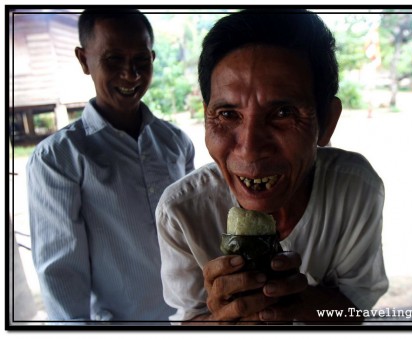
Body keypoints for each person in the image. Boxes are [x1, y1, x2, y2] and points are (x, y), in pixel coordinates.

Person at [156, 9, 388, 324]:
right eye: (227, 114)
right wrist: (221, 320)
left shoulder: (354, 188)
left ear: (327, 122)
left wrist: (295, 298)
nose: (250, 149)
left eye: (282, 112)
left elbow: (354, 311)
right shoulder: (182, 212)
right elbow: (188, 319)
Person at [27, 9, 195, 321]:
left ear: (153, 58)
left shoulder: (176, 143)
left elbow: (194, 235)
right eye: (113, 59)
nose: (130, 74)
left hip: (192, 318)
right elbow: (60, 271)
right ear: (83, 60)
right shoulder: (59, 158)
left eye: (141, 60)